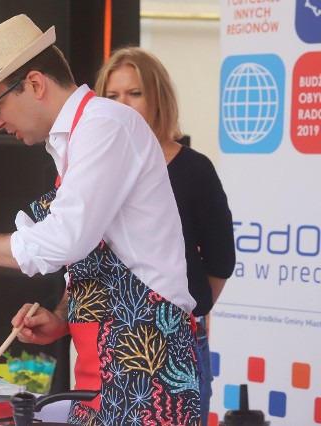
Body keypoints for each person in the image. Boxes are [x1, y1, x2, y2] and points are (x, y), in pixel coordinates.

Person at [0, 15, 201, 425]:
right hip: (101, 360)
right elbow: (99, 254)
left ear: (35, 84)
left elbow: (63, 241)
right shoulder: (76, 141)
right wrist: (62, 317)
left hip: (147, 356)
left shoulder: (106, 126)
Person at [95, 46, 236, 425]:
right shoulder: (94, 169)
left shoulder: (193, 169)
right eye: (112, 96)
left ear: (158, 98)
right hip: (111, 346)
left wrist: (185, 310)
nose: (122, 104)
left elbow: (221, 258)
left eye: (134, 93)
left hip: (181, 344)